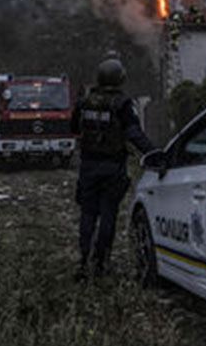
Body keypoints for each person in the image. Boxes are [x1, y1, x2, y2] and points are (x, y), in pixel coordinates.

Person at [70, 56, 154, 279]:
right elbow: (134, 133)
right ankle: (101, 263)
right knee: (108, 214)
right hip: (112, 167)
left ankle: (83, 261)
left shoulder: (84, 102)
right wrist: (154, 153)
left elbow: (73, 127)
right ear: (119, 78)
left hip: (88, 167)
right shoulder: (122, 103)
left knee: (88, 214)